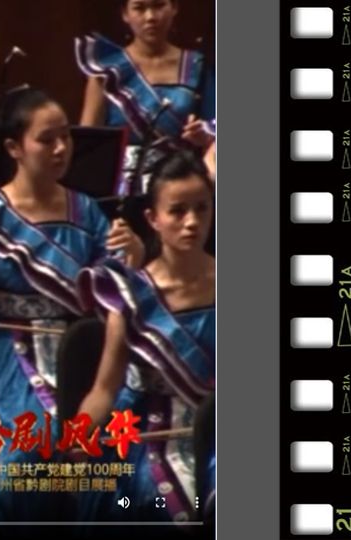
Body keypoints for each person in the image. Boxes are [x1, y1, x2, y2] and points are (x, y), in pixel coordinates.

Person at [0, 88, 143, 528]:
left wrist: (134, 256)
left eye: (66, 136)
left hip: (79, 348)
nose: (61, 148)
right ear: (14, 147)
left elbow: (116, 288)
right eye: (47, 139)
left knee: (113, 456)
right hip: (8, 352)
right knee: (19, 465)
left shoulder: (86, 209)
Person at [75, 149, 215, 533]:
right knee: (175, 509)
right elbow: (105, 388)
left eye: (202, 209)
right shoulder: (133, 296)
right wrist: (78, 439)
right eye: (178, 211)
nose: (192, 222)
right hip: (151, 434)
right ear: (153, 218)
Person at [76, 0, 215, 194]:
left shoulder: (197, 66)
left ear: (174, 8)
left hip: (181, 183)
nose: (150, 17)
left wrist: (204, 135)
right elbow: (88, 143)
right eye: (139, 8)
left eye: (159, 6)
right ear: (125, 14)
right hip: (123, 189)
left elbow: (215, 130)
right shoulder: (107, 70)